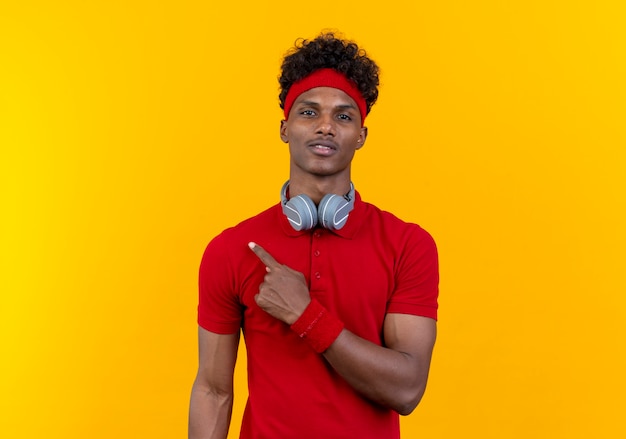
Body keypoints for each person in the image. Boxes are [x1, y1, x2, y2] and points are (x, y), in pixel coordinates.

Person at [189, 32, 439, 439]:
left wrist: (304, 314)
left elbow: (407, 389)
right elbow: (213, 390)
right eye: (309, 113)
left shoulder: (408, 244)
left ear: (361, 135)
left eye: (343, 116)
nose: (325, 126)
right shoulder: (231, 249)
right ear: (285, 128)